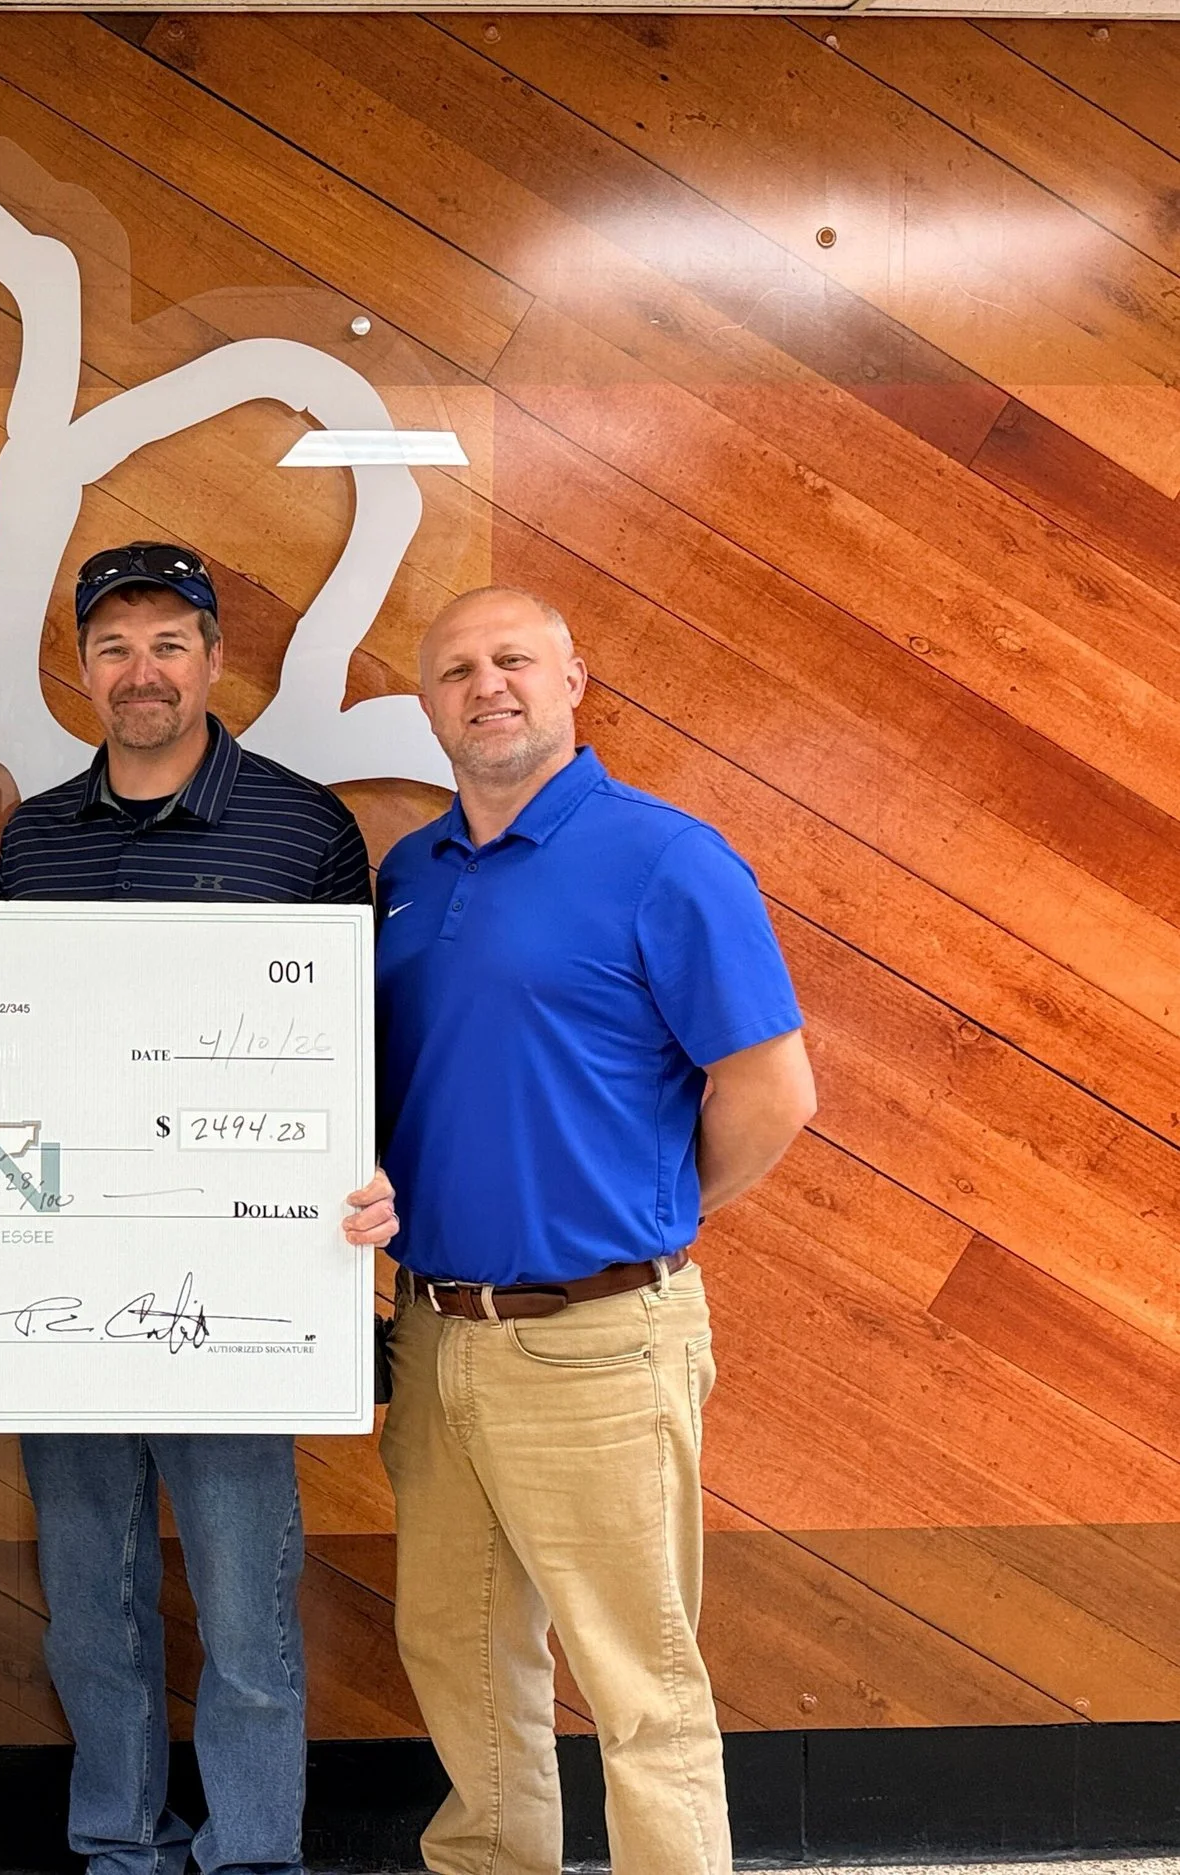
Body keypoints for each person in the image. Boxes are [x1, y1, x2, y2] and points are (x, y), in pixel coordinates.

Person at [375, 588, 816, 1875]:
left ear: (575, 680)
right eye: (455, 670)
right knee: (459, 1658)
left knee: (639, 1685)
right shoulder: (409, 874)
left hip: (601, 1342)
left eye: (514, 659)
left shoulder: (665, 858)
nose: (485, 685)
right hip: (434, 1332)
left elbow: (774, 1092)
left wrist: (648, 1223)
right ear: (428, 706)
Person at [0, 543, 398, 1875]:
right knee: (89, 1613)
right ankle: (119, 1841)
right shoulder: (36, 836)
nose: (141, 669)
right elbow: (0, 1042)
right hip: (60, 1288)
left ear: (216, 660)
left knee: (247, 1606)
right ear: (82, 671)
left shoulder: (304, 827)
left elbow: (357, 1049)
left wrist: (366, 1184)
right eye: (113, 647)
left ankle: (254, 1852)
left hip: (243, 1292)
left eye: (168, 641)